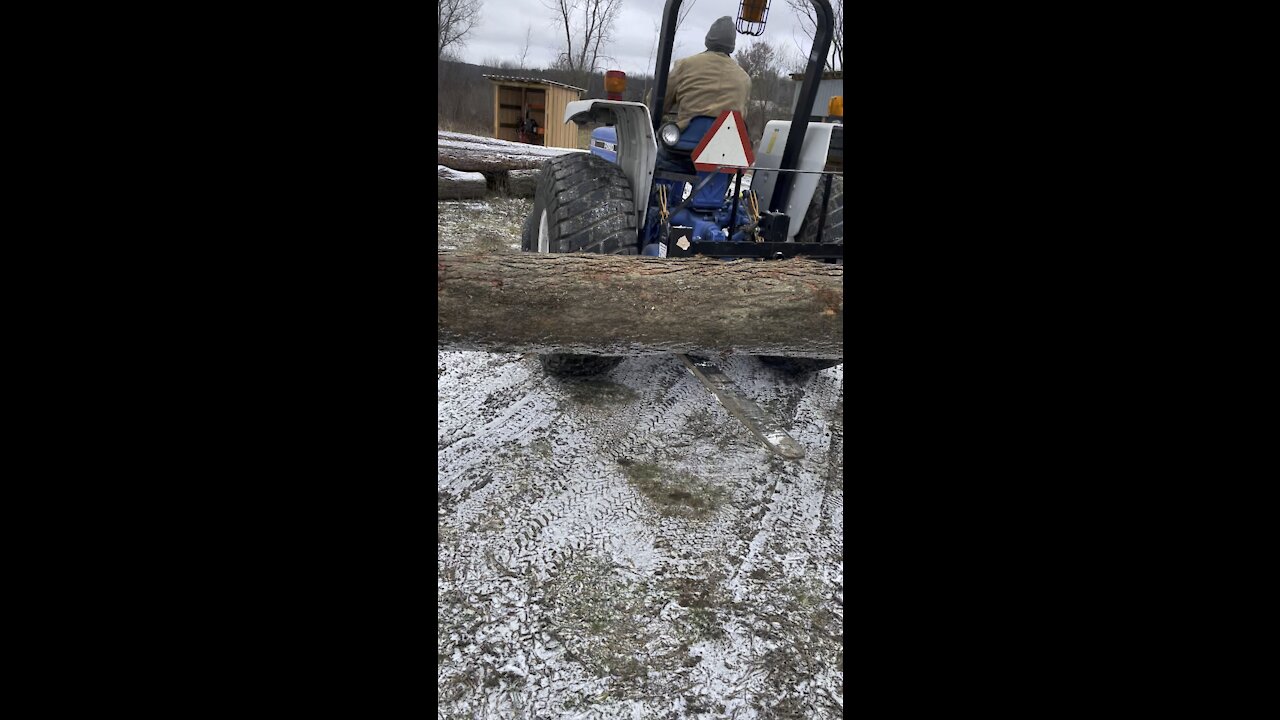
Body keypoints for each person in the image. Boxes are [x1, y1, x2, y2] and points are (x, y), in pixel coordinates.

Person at [661, 16, 751, 133]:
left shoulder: (684, 65)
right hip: (725, 144)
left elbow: (659, 103)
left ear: (708, 40)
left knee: (661, 147)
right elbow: (742, 115)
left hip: (685, 143)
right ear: (732, 45)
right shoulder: (744, 78)